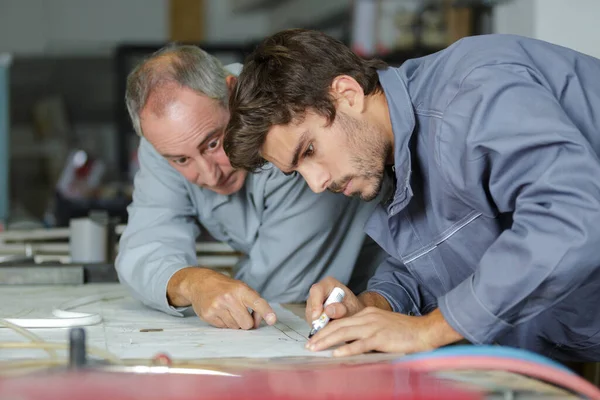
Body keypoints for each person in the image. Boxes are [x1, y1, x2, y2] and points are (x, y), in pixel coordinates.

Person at [223, 29, 600, 362]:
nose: (316, 183)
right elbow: (435, 254)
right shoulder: (389, 153)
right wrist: (371, 306)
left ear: (347, 93)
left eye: (308, 151)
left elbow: (570, 217)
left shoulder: (473, 93)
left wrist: (430, 330)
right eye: (297, 171)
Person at [115, 44, 386, 330]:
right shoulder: (167, 140)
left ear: (233, 93)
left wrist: (216, 289)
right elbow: (145, 243)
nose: (209, 176)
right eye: (181, 160)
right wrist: (192, 282)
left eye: (213, 143)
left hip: (386, 301)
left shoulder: (285, 124)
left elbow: (277, 292)